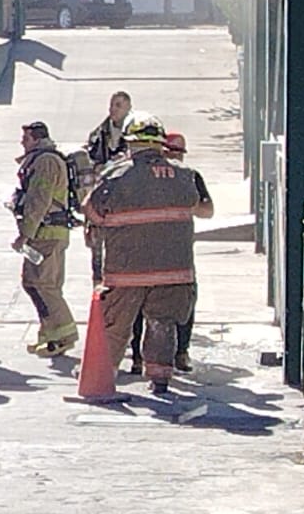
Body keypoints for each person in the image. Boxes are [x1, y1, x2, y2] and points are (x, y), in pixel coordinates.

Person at [83, 114, 213, 395]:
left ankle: (102, 378)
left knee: (116, 326)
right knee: (162, 323)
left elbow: (91, 209)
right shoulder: (184, 176)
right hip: (175, 270)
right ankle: (160, 380)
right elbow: (202, 208)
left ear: (132, 144)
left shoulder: (116, 175)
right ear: (159, 144)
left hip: (126, 270)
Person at [123, 131, 212, 373]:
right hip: (145, 251)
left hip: (178, 251)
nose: (174, 157)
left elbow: (208, 210)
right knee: (141, 307)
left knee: (184, 304)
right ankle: (138, 358)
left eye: (178, 153)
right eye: (170, 151)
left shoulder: (190, 177)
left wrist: (184, 202)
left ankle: (181, 353)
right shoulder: (147, 177)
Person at [11, 121, 78, 357]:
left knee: (43, 284)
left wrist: (25, 234)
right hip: (44, 233)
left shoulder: (46, 162)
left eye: (26, 138)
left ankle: (64, 334)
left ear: (37, 139)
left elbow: (39, 199)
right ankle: (48, 334)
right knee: (34, 283)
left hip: (47, 234)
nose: (22, 142)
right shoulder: (41, 160)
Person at [83, 91, 133, 283]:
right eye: (112, 105)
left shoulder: (136, 135)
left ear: (129, 107)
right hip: (101, 200)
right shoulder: (98, 135)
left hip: (126, 202)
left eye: (118, 105)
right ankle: (98, 284)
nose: (113, 109)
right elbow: (90, 169)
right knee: (97, 252)